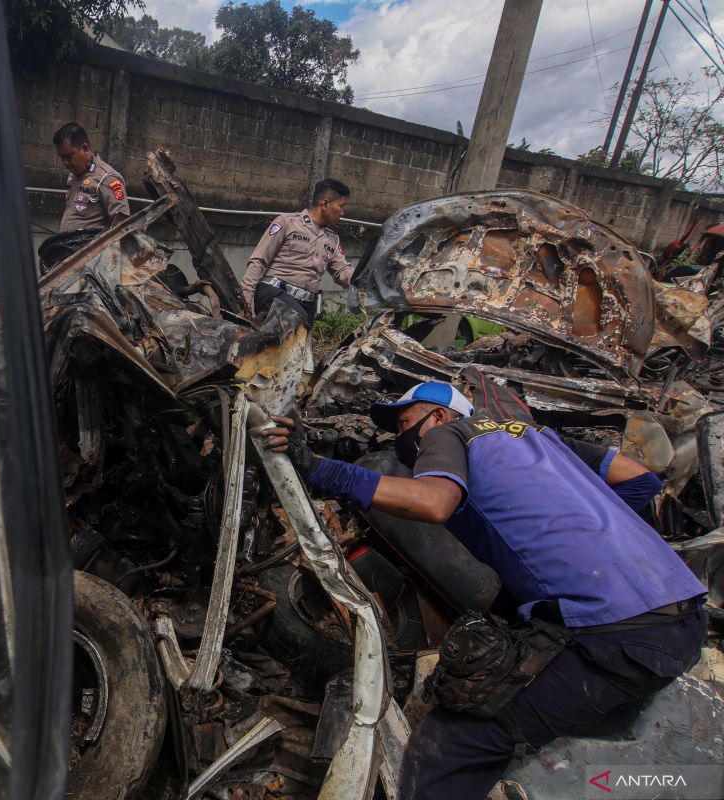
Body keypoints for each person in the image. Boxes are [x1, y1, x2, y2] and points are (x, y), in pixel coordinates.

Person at [262, 382, 706, 800]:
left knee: (448, 744)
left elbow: (433, 503)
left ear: (437, 415)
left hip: (617, 636)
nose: (400, 437)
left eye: (403, 424)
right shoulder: (544, 440)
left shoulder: (453, 434)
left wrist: (320, 469)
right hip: (684, 619)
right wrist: (584, 538)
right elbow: (641, 482)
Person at [241, 178, 353, 323]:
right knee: (298, 320)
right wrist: (246, 302)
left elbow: (343, 271)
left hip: (306, 305)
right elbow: (258, 260)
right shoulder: (288, 223)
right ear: (325, 204)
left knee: (300, 339)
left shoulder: (332, 240)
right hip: (275, 293)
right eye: (341, 206)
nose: (342, 213)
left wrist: (366, 281)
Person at [53, 122, 130, 233]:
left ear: (84, 148)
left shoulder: (107, 179)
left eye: (69, 156)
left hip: (91, 249)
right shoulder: (73, 176)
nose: (65, 163)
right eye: (62, 158)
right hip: (67, 248)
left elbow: (122, 227)